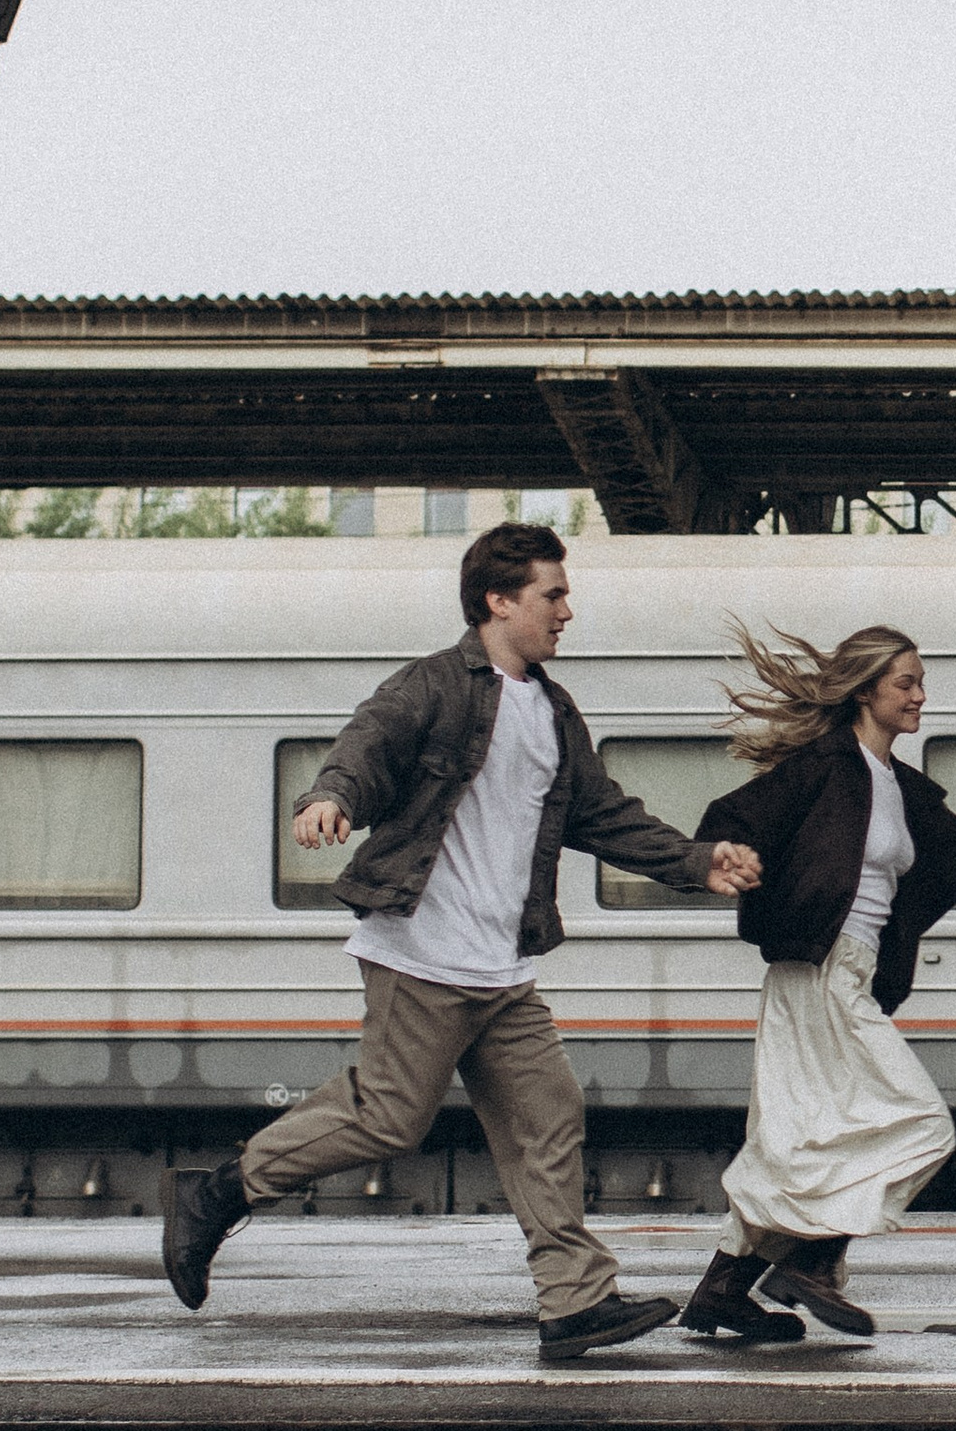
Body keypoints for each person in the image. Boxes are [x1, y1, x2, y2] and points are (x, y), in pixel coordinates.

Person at [161, 521, 763, 1363]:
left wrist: (699, 864)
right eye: (553, 595)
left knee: (547, 1117)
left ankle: (574, 1303)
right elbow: (363, 749)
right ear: (499, 600)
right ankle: (220, 1190)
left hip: (501, 964)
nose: (567, 612)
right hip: (422, 950)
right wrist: (329, 797)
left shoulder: (553, 711)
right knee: (389, 1118)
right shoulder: (434, 687)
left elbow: (602, 815)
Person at [677, 623, 956, 1345]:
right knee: (921, 1125)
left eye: (920, 680)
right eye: (906, 682)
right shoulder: (823, 767)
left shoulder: (900, 789)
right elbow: (730, 822)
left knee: (796, 1139)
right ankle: (814, 1262)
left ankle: (723, 1291)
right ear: (864, 690)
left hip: (844, 975)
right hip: (816, 969)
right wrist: (741, 867)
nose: (921, 695)